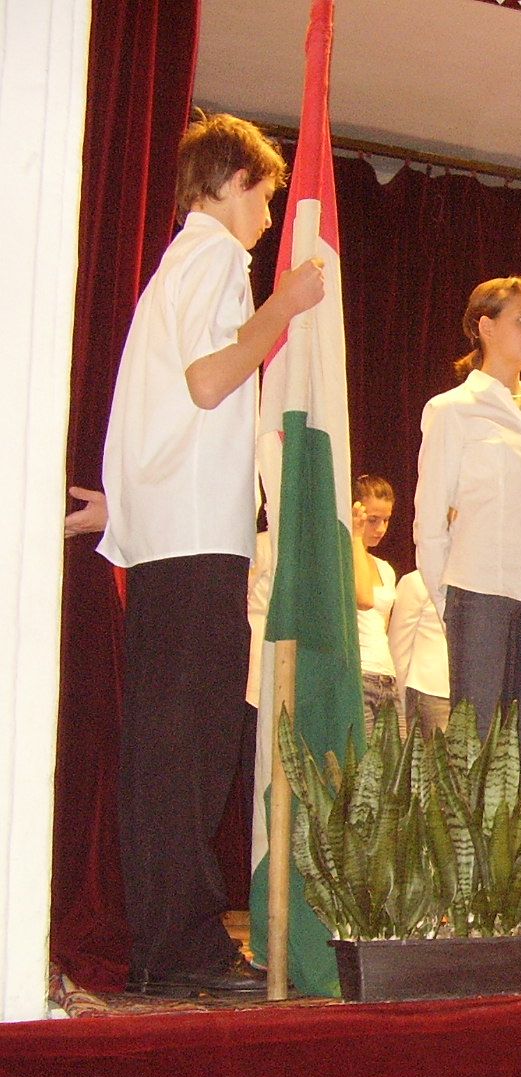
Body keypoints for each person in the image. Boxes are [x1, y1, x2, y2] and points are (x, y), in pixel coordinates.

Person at [96, 112, 325, 996]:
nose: (266, 219)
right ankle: (181, 948)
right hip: (195, 539)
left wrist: (121, 506)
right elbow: (207, 380)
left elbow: (163, 407)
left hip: (175, 532)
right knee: (186, 754)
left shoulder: (178, 266)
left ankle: (168, 945)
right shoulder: (215, 257)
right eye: (264, 198)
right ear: (234, 182)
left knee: (173, 751)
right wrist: (283, 308)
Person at [414, 276, 521, 774]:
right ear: (486, 326)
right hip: (478, 589)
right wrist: (446, 596)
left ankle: (514, 827)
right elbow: (429, 517)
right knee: (475, 735)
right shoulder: (452, 410)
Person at [352, 474, 400, 737]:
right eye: (372, 520)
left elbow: (383, 627)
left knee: (395, 757)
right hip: (359, 675)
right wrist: (355, 536)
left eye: (386, 520)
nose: (380, 528)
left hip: (386, 676)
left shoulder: (385, 569)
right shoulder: (343, 558)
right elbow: (364, 599)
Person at [389, 568, 451, 739]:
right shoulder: (417, 581)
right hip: (428, 689)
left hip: (463, 691)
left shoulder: (470, 582)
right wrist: (400, 702)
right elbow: (399, 644)